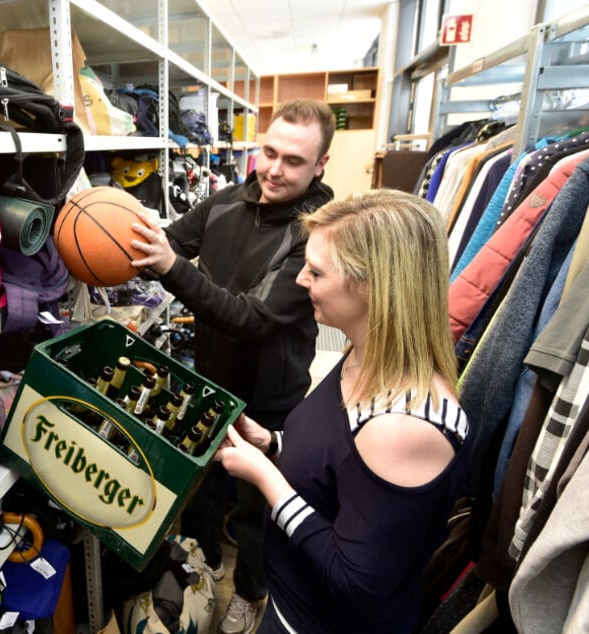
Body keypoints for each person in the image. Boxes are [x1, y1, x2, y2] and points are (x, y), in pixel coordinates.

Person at [214, 189, 472, 633]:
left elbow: (356, 582)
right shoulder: (364, 352)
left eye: (316, 271)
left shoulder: (407, 424)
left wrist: (264, 477)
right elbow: (343, 470)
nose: (300, 280)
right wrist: (273, 444)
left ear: (372, 287)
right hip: (291, 603)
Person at [130, 98, 336, 633]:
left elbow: (254, 317)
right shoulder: (226, 201)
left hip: (270, 398)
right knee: (197, 486)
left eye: (294, 160)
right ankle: (205, 564)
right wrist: (127, 236)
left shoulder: (315, 234)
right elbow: (171, 242)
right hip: (209, 378)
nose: (273, 169)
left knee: (255, 509)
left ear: (320, 167)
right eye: (269, 152)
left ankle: (250, 592)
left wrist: (173, 268)